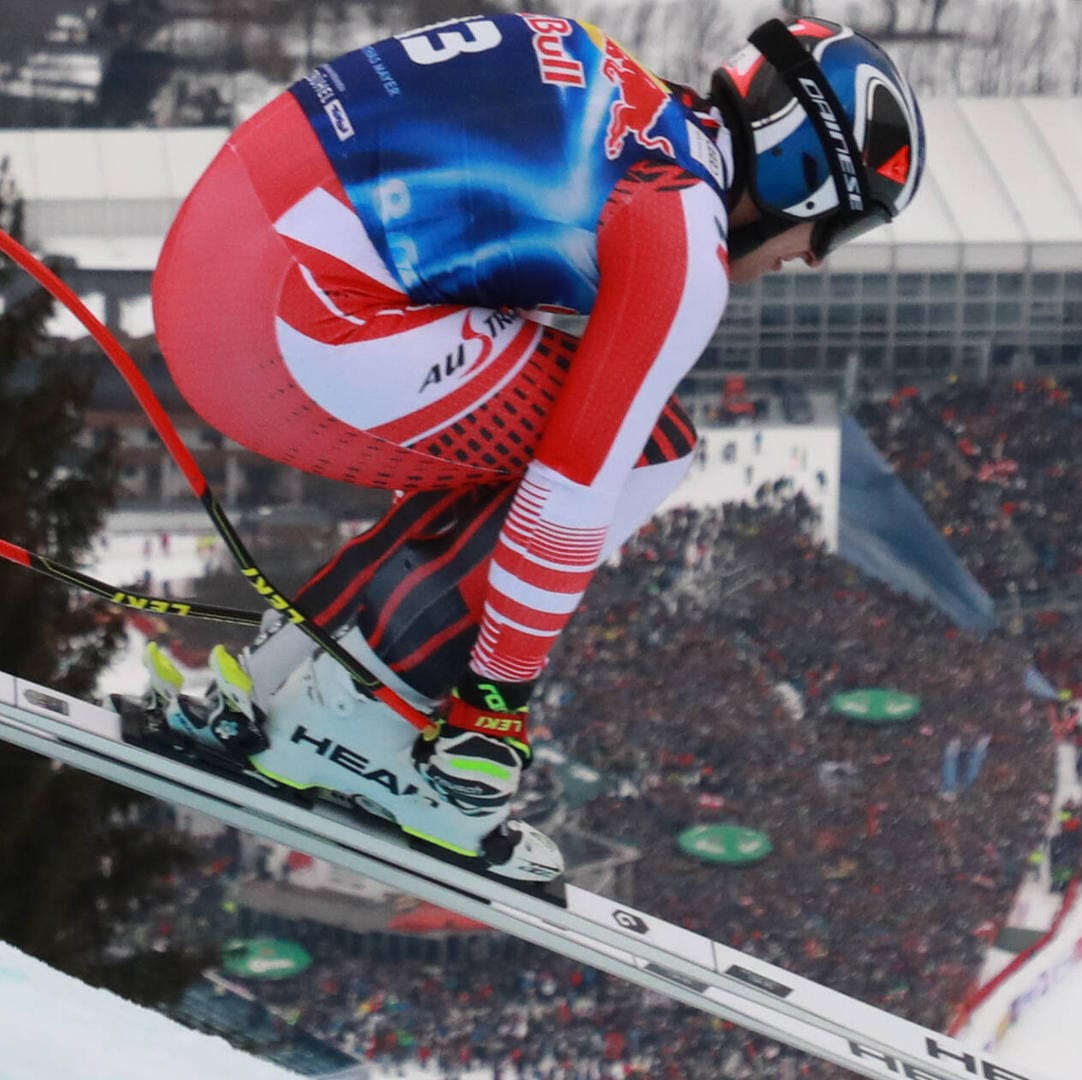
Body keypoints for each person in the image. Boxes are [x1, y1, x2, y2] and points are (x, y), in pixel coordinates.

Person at [149, 13, 926, 879]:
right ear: (805, 177)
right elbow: (572, 495)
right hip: (289, 323)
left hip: (222, 262)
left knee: (538, 424)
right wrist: (496, 709)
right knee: (648, 451)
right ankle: (360, 717)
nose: (816, 260)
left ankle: (274, 673)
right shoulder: (679, 225)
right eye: (840, 229)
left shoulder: (629, 100)